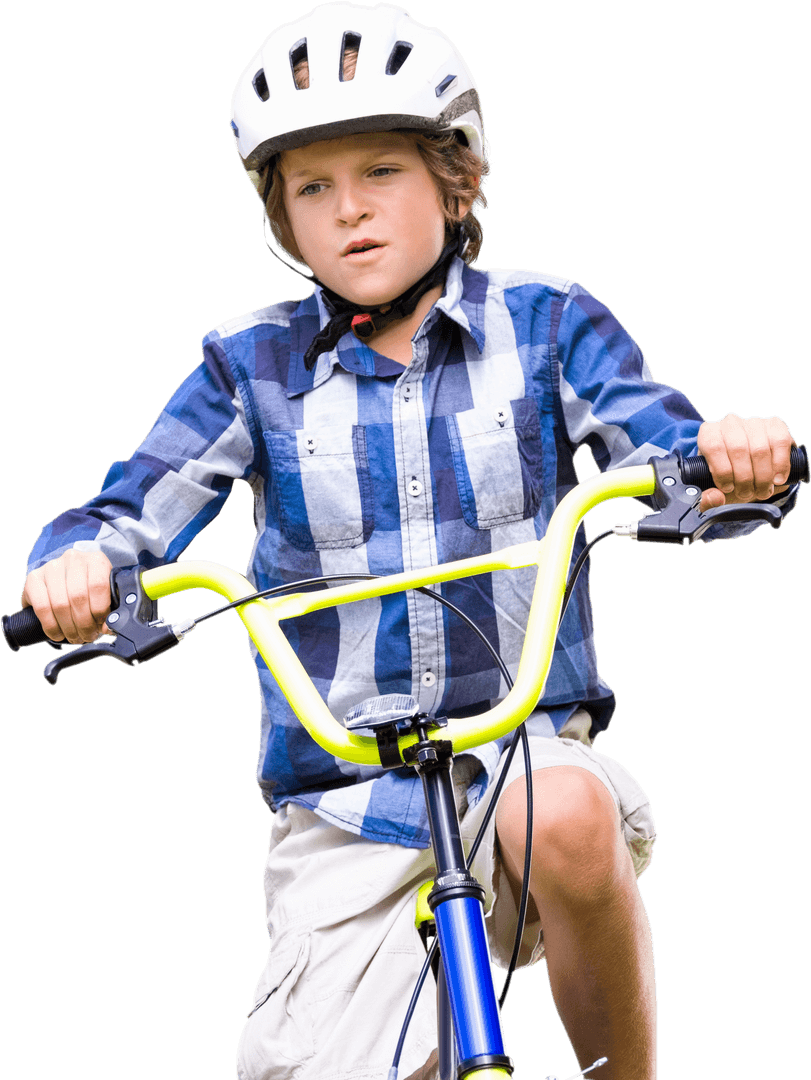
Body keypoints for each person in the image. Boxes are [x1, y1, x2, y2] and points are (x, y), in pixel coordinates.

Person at [19, 5, 800, 1079]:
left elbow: (662, 452)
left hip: (517, 757)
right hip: (343, 810)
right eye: (310, 188)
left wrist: (728, 455)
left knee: (564, 807)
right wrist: (80, 569)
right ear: (281, 220)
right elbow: (132, 508)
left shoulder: (546, 324)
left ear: (457, 181)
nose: (349, 212)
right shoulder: (248, 367)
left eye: (380, 170)